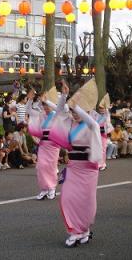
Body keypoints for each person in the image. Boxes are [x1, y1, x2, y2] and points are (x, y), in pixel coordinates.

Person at [49, 80, 102, 247]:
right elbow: (58, 112)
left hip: (88, 169)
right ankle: (73, 230)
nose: (75, 113)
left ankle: (84, 230)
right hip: (73, 168)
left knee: (86, 202)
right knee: (67, 198)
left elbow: (93, 124)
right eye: (73, 111)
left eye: (77, 110)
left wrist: (76, 104)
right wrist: (64, 96)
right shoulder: (70, 123)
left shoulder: (92, 124)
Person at [26, 88, 60, 200]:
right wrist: (30, 100)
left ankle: (52, 188)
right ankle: (44, 188)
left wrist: (48, 101)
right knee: (41, 167)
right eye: (44, 105)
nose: (45, 107)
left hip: (53, 144)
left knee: (51, 167)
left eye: (47, 105)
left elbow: (60, 109)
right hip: (43, 144)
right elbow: (29, 112)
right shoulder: (42, 115)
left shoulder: (56, 114)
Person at [90, 96, 114, 170]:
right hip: (97, 134)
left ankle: (102, 164)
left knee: (103, 149)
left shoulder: (106, 116)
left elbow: (107, 114)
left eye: (102, 108)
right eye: (100, 108)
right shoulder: (96, 115)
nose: (101, 109)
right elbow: (91, 111)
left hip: (103, 135)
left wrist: (107, 107)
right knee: (97, 149)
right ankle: (99, 163)